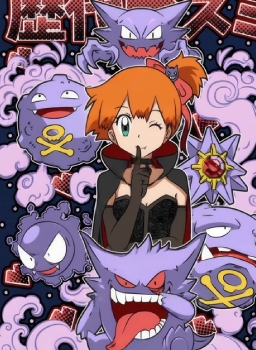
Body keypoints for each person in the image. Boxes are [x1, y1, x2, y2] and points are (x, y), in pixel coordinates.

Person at [84, 55, 206, 252]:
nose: (139, 134)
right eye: (125, 125)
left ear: (168, 131)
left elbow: (180, 245)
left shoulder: (177, 180)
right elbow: (110, 246)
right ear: (111, 132)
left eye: (154, 124)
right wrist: (134, 199)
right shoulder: (108, 182)